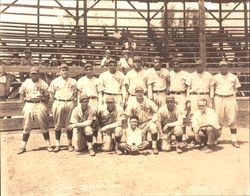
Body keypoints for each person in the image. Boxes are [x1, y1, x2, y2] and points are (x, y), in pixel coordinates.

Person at [17, 67, 53, 154]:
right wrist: (23, 105)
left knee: (43, 125)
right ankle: (23, 146)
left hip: (39, 103)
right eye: (32, 73)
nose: (34, 75)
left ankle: (48, 144)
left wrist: (43, 104)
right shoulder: (26, 83)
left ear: (38, 74)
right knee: (26, 126)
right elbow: (22, 94)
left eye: (35, 73)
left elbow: (47, 96)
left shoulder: (43, 83)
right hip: (29, 103)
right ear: (30, 74)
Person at [212, 60, 241, 148]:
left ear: (227, 67)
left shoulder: (233, 77)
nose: (223, 67)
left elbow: (236, 89)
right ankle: (216, 138)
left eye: (225, 66)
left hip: (230, 98)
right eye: (221, 66)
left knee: (232, 119)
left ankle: (234, 140)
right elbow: (213, 89)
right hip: (219, 98)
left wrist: (232, 97)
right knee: (218, 119)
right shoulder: (215, 77)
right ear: (219, 67)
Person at [48, 64, 77, 153]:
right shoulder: (55, 81)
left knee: (69, 125)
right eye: (62, 70)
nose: (64, 72)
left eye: (66, 70)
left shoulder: (73, 81)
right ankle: (57, 144)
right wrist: (55, 104)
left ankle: (69, 144)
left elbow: (75, 93)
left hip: (69, 102)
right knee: (58, 125)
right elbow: (51, 94)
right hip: (59, 102)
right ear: (59, 71)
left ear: (68, 71)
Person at [126, 86, 159, 154]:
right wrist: (130, 125)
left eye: (141, 92)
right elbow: (129, 116)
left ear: (143, 93)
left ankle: (154, 146)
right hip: (137, 123)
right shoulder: (132, 102)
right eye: (137, 92)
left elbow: (156, 112)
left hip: (147, 122)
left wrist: (152, 121)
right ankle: (134, 148)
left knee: (154, 127)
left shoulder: (148, 101)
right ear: (135, 93)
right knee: (135, 138)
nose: (139, 94)